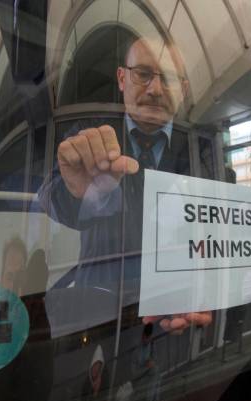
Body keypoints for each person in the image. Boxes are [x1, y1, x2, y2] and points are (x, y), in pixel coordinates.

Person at [39, 37, 211, 334]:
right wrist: (76, 192)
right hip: (100, 314)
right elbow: (47, 198)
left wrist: (215, 290)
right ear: (122, 78)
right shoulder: (88, 132)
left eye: (168, 79)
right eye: (142, 74)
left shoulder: (203, 151)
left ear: (182, 91)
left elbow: (222, 235)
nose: (155, 90)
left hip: (178, 311)